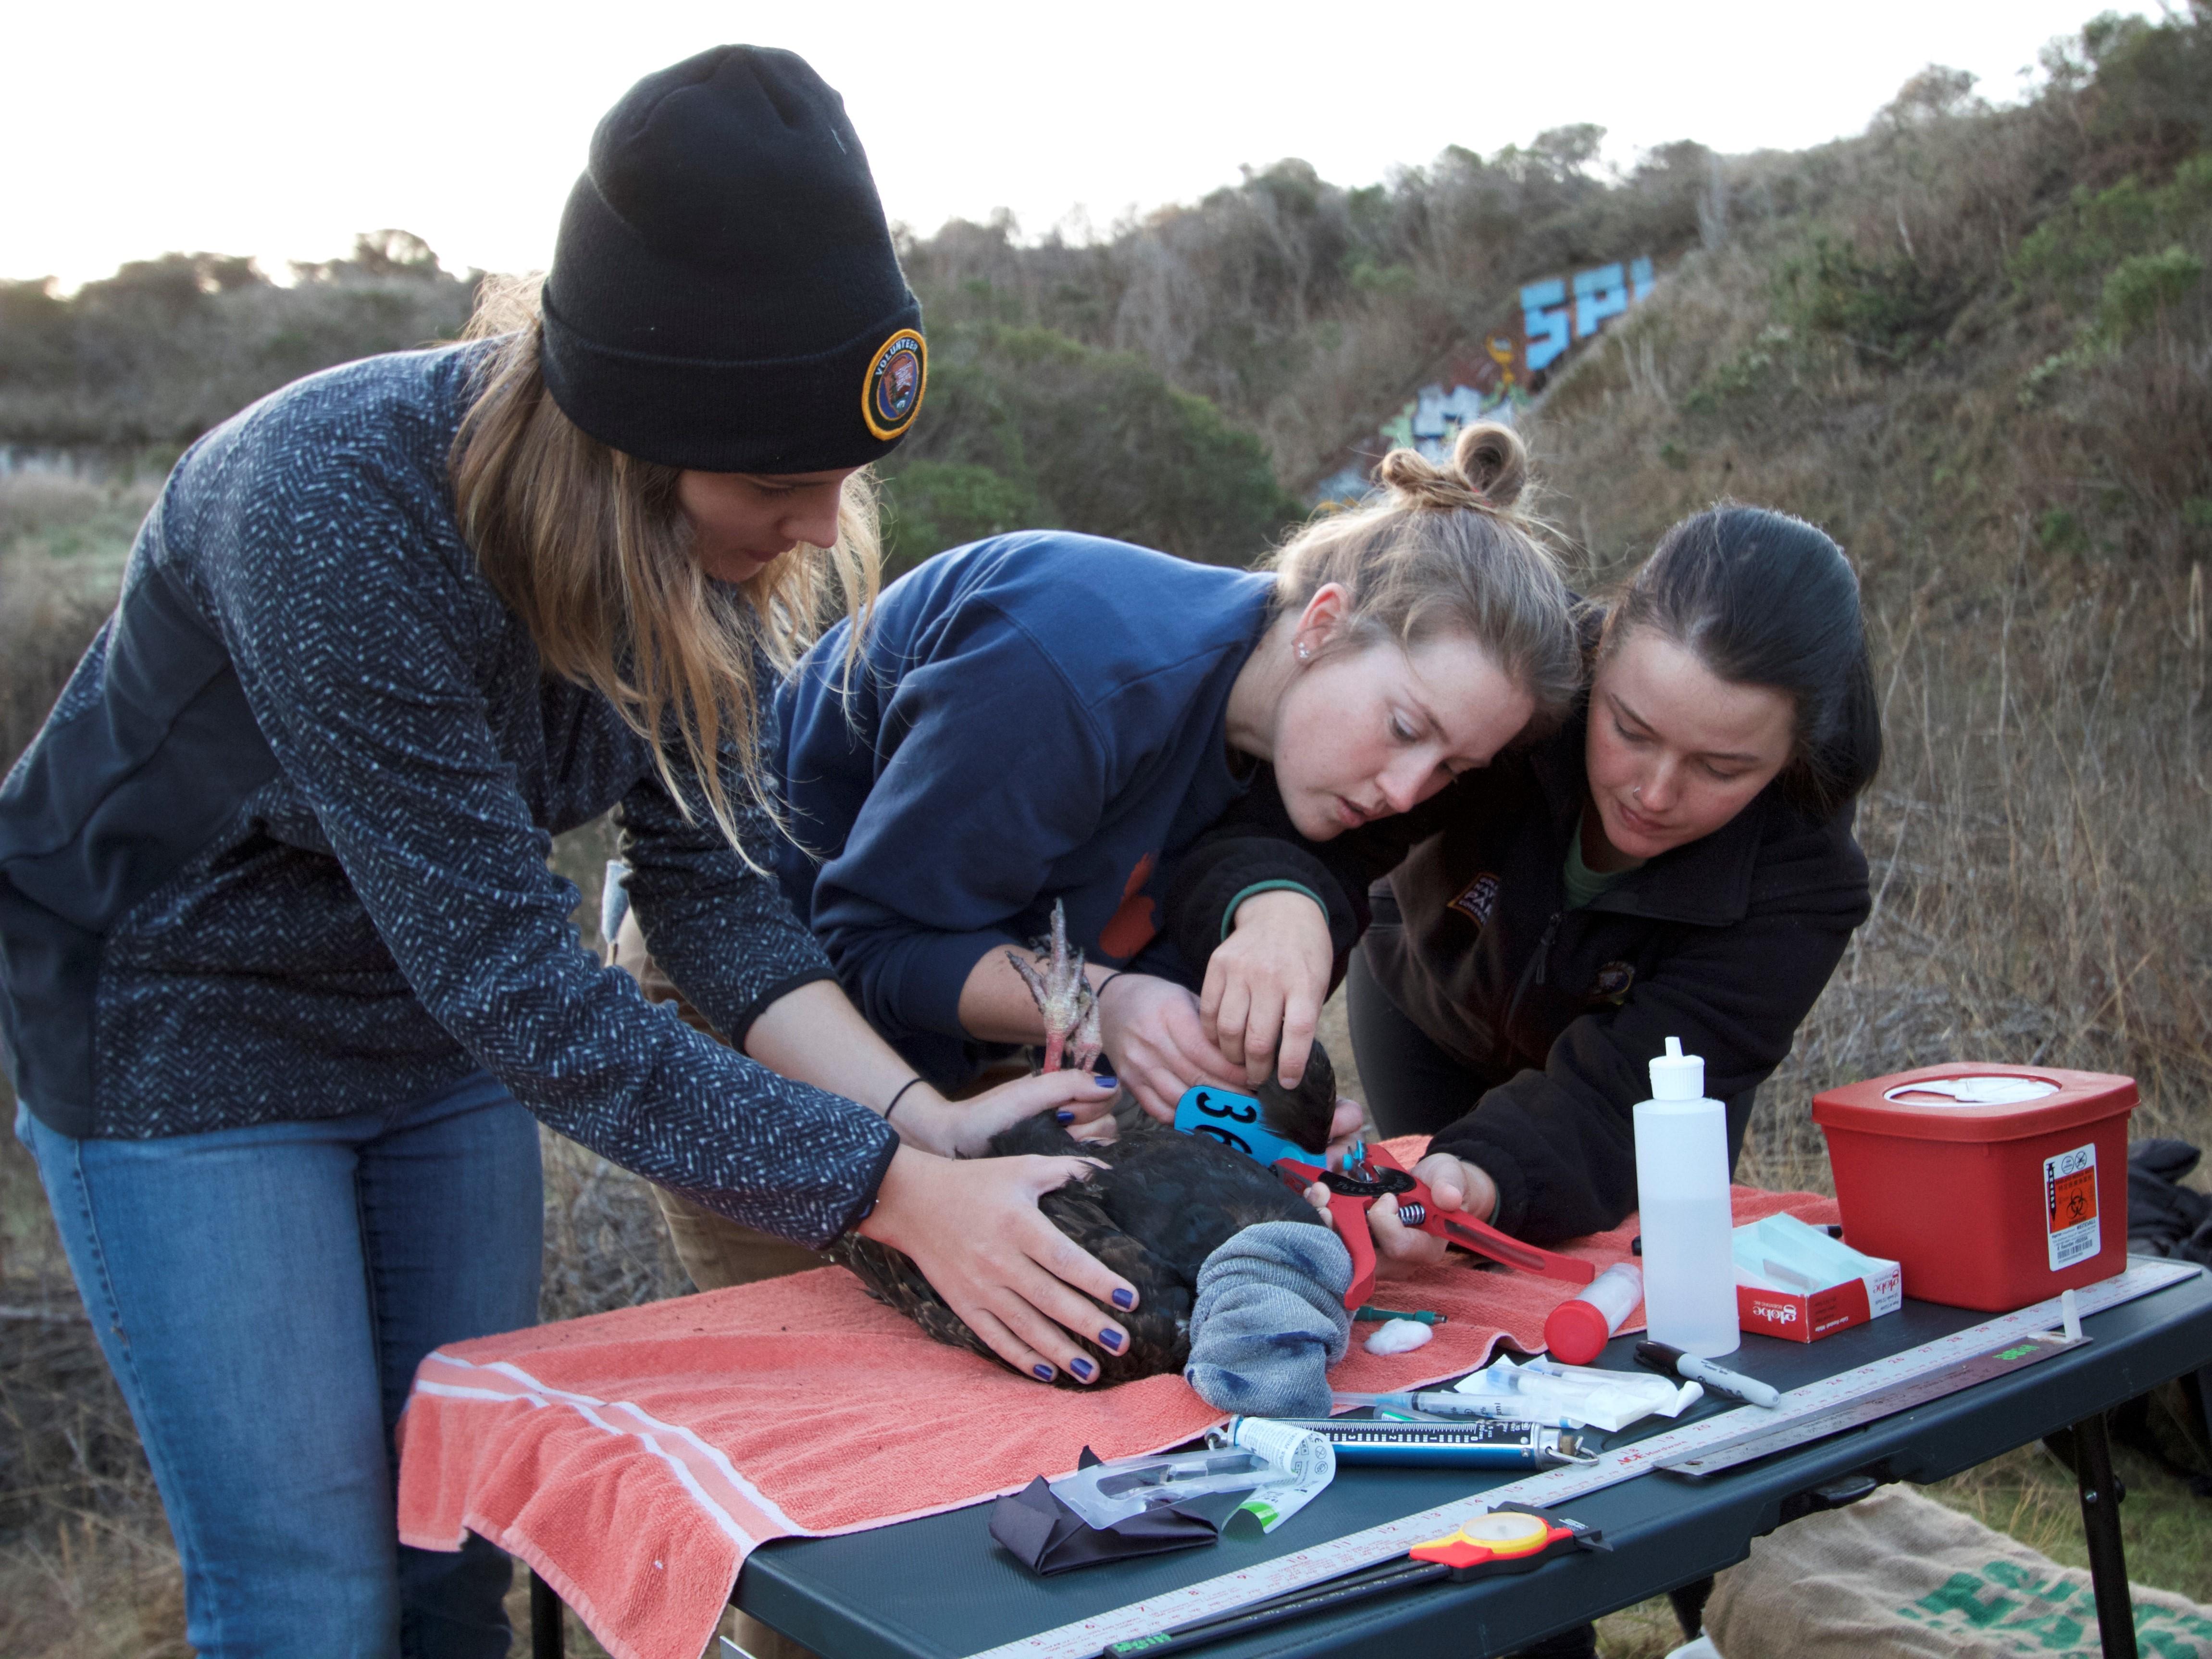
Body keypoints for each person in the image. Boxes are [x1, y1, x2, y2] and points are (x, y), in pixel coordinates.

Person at [0, 49, 1129, 1659]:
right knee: (312, 1589)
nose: (820, 531)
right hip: (181, 1015)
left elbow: (713, 893)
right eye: (776, 484)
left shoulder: (717, 557)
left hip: (427, 1008)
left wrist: (920, 1125)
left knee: (451, 1535)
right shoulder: (332, 510)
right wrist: (889, 1198)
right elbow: (525, 988)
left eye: (842, 481)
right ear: (628, 449)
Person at [770, 424, 1585, 1125]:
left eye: (1450, 767)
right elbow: (870, 942)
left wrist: (1236, 1114)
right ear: (1324, 623)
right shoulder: (1071, 678)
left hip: (961, 1040)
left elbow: (1140, 990)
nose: (1406, 793)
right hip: (765, 986)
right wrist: (1106, 1005)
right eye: (1405, 728)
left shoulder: (1297, 757)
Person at [1174, 503, 1880, 1255]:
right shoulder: (1514, 691)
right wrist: (1277, 903)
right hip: (1427, 994)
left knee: (1630, 1276)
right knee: (1434, 1237)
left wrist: (1486, 1173)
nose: (1655, 792)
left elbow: (1623, 1099)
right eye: (1629, 731)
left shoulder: (1805, 879)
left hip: (1640, 1092)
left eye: (1721, 768)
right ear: (1597, 660)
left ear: (1791, 757)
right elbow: (1294, 822)